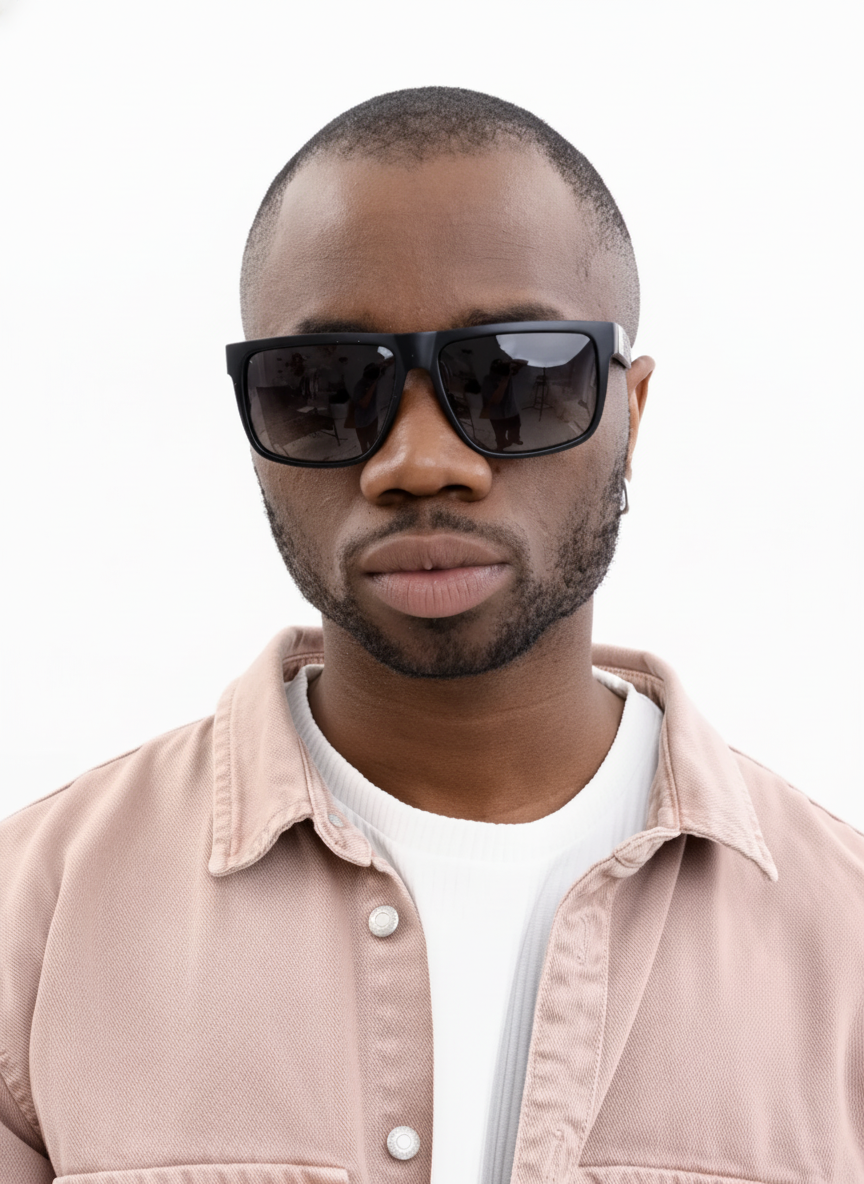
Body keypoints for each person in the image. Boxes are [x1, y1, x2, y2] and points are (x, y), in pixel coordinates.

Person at [1, 87, 861, 1184]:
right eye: (325, 389)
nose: (418, 462)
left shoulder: (846, 949)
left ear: (630, 414)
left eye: (515, 379)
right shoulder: (30, 926)